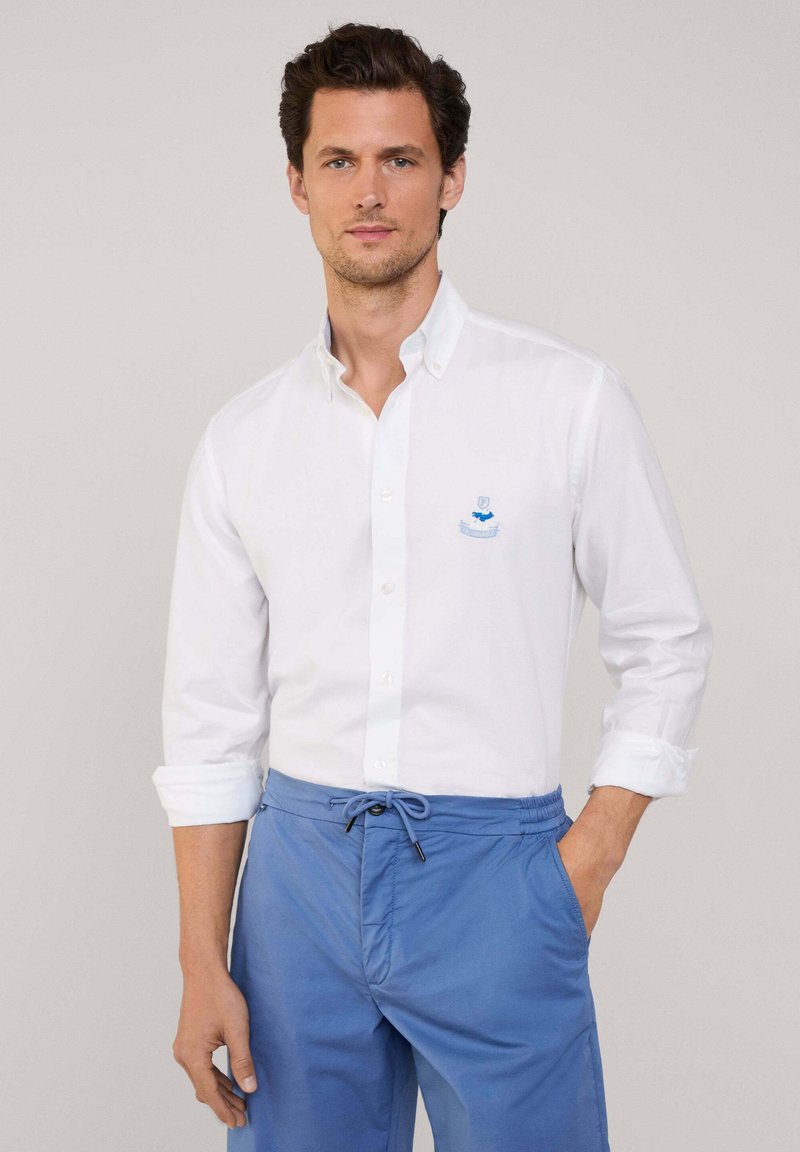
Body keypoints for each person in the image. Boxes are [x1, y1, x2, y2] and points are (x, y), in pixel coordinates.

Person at [152, 21, 713, 1152]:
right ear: (297, 184)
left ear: (451, 178)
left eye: (400, 159)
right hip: (296, 890)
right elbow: (210, 720)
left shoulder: (565, 401)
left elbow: (666, 640)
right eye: (339, 160)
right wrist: (202, 959)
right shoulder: (244, 441)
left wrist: (586, 861)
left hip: (499, 879)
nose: (369, 192)